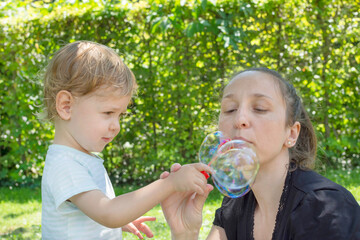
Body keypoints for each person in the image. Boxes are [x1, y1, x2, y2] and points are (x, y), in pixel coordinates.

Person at [160, 67, 360, 240]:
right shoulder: (234, 205)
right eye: (230, 109)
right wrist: (185, 232)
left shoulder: (325, 207)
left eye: (259, 108)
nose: (240, 119)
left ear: (291, 134)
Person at [40, 40, 211, 240]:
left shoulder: (79, 157)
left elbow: (98, 213)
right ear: (66, 106)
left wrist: (119, 224)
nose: (116, 125)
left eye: (120, 115)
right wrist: (169, 184)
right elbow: (108, 213)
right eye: (108, 112)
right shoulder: (65, 164)